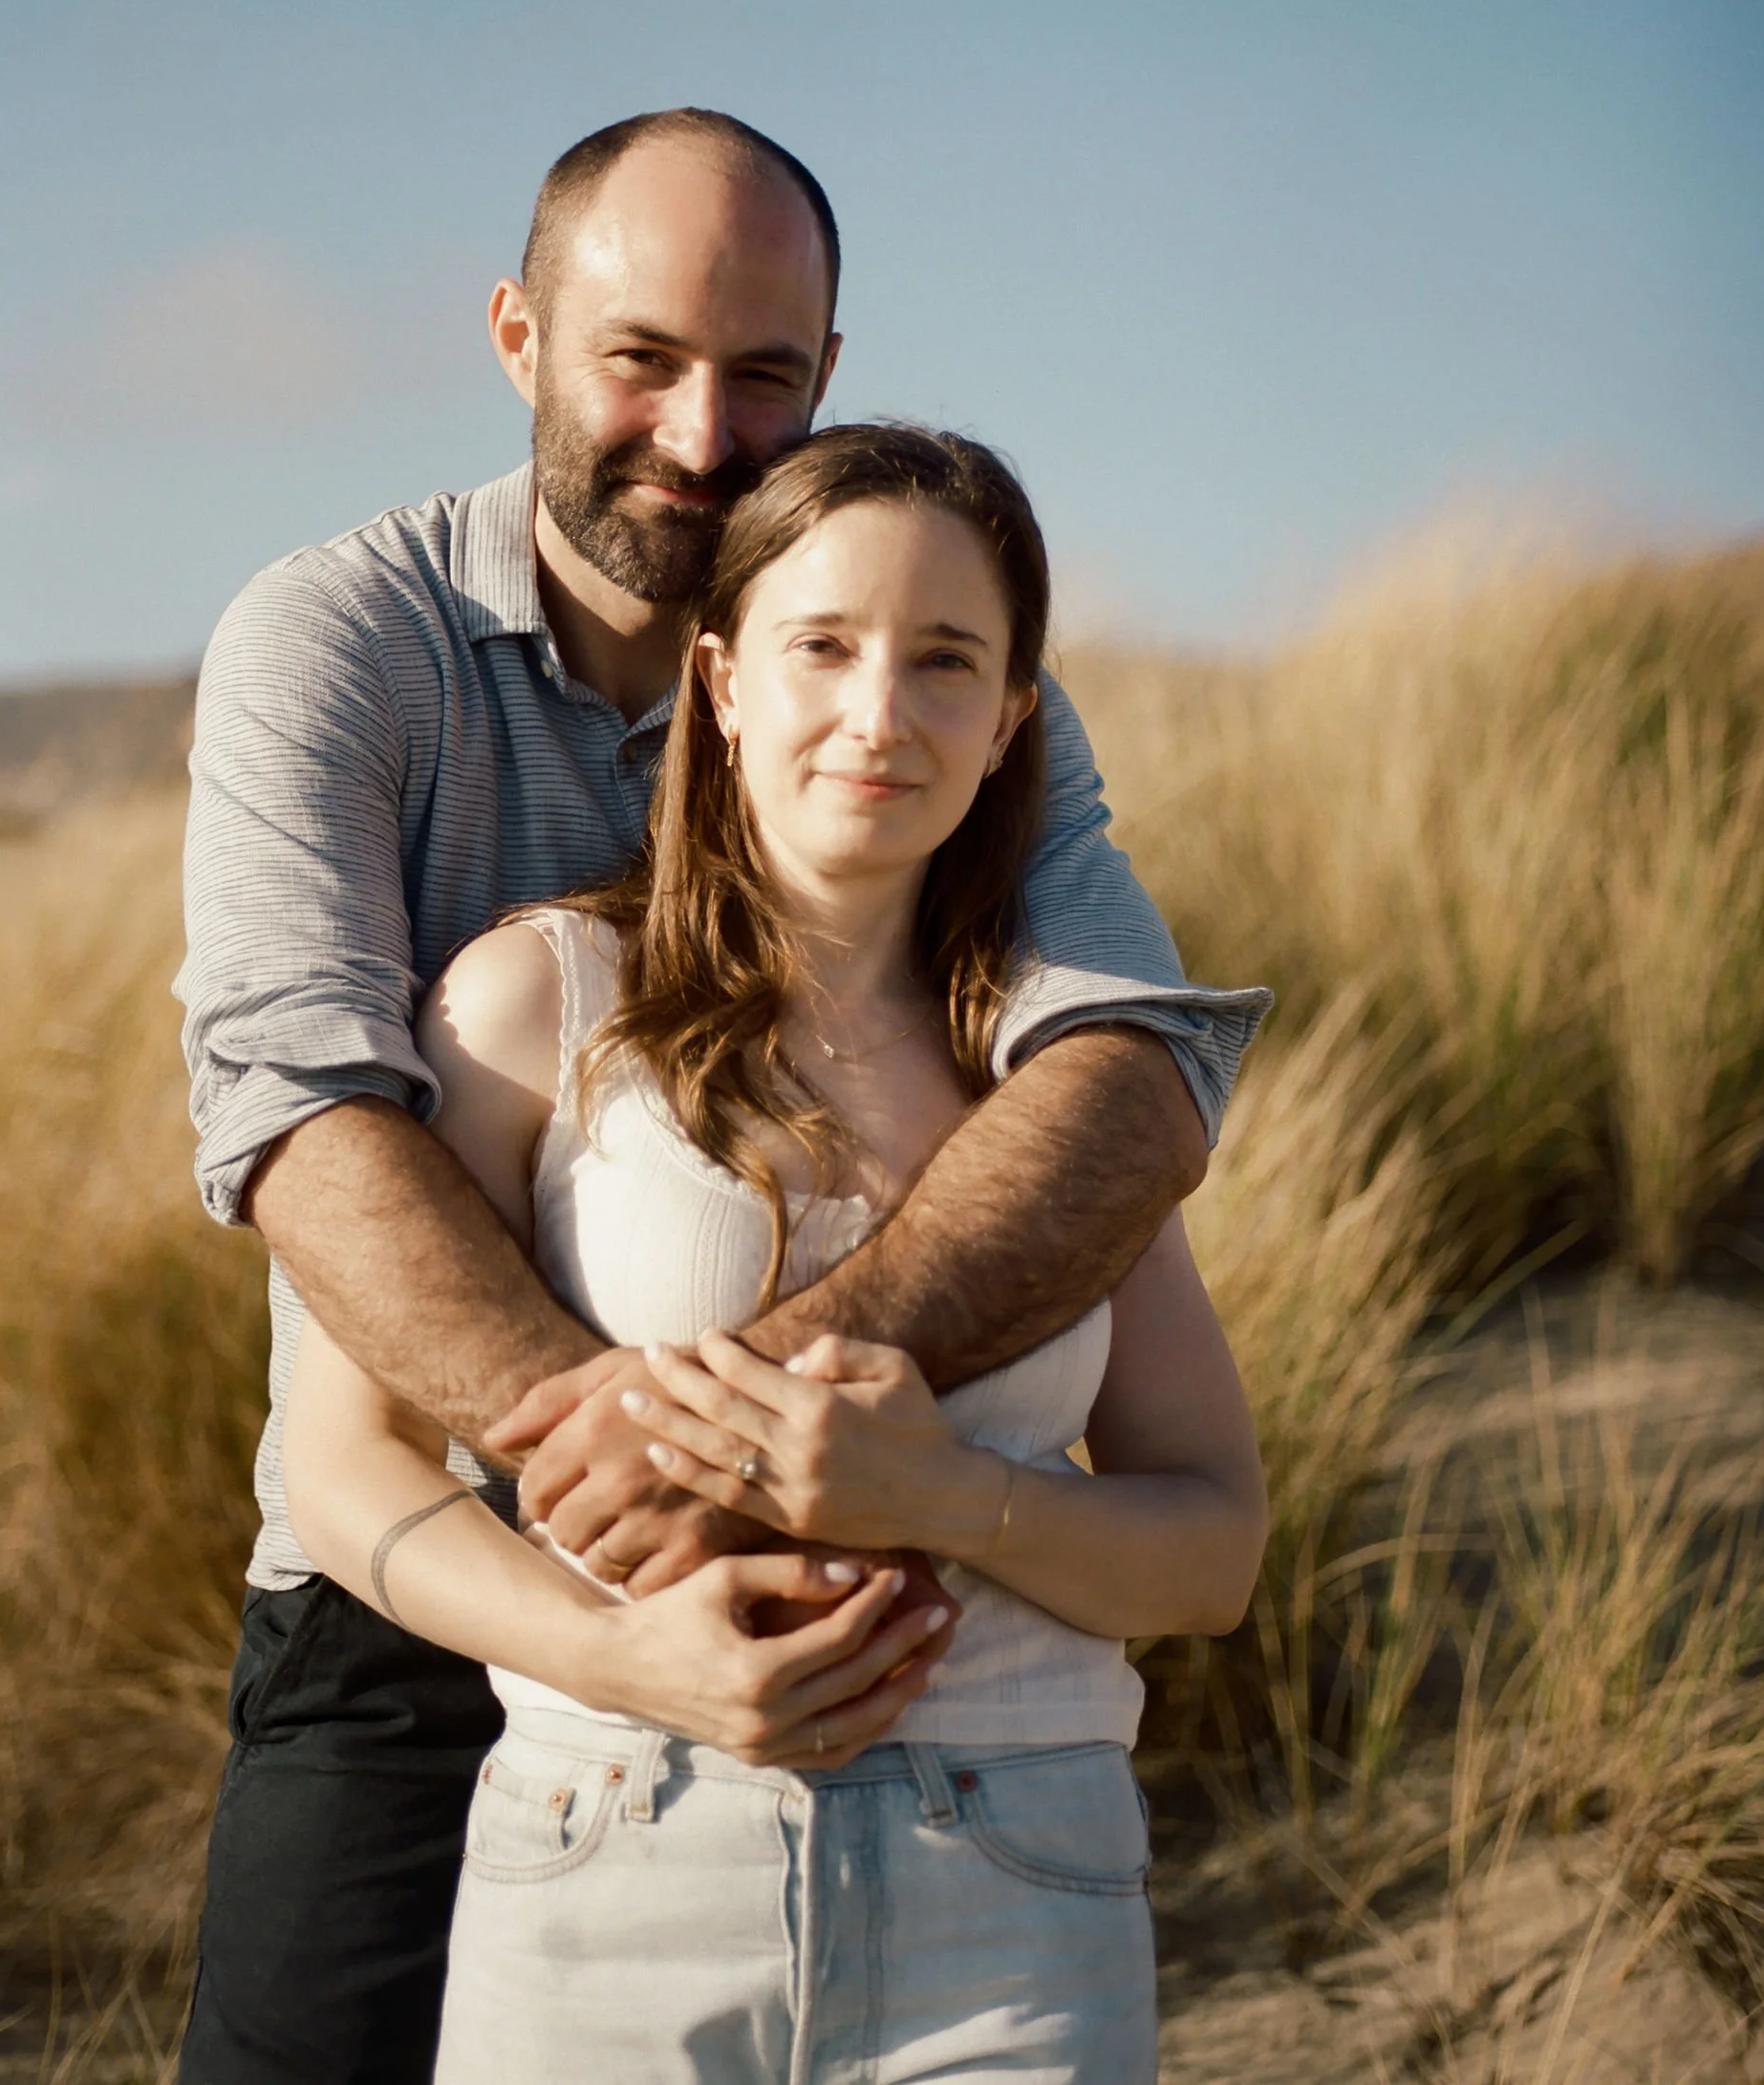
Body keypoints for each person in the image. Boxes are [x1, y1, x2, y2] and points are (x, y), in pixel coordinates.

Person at [175, 107, 1272, 2085]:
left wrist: (781, 1432)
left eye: (763, 373)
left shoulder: (922, 686)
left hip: (935, 1735)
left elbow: (1126, 1073)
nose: (700, 431)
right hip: (411, 1578)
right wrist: (614, 1484)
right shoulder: (342, 647)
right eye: (640, 359)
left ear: (828, 377)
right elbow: (301, 1122)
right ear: (517, 335)